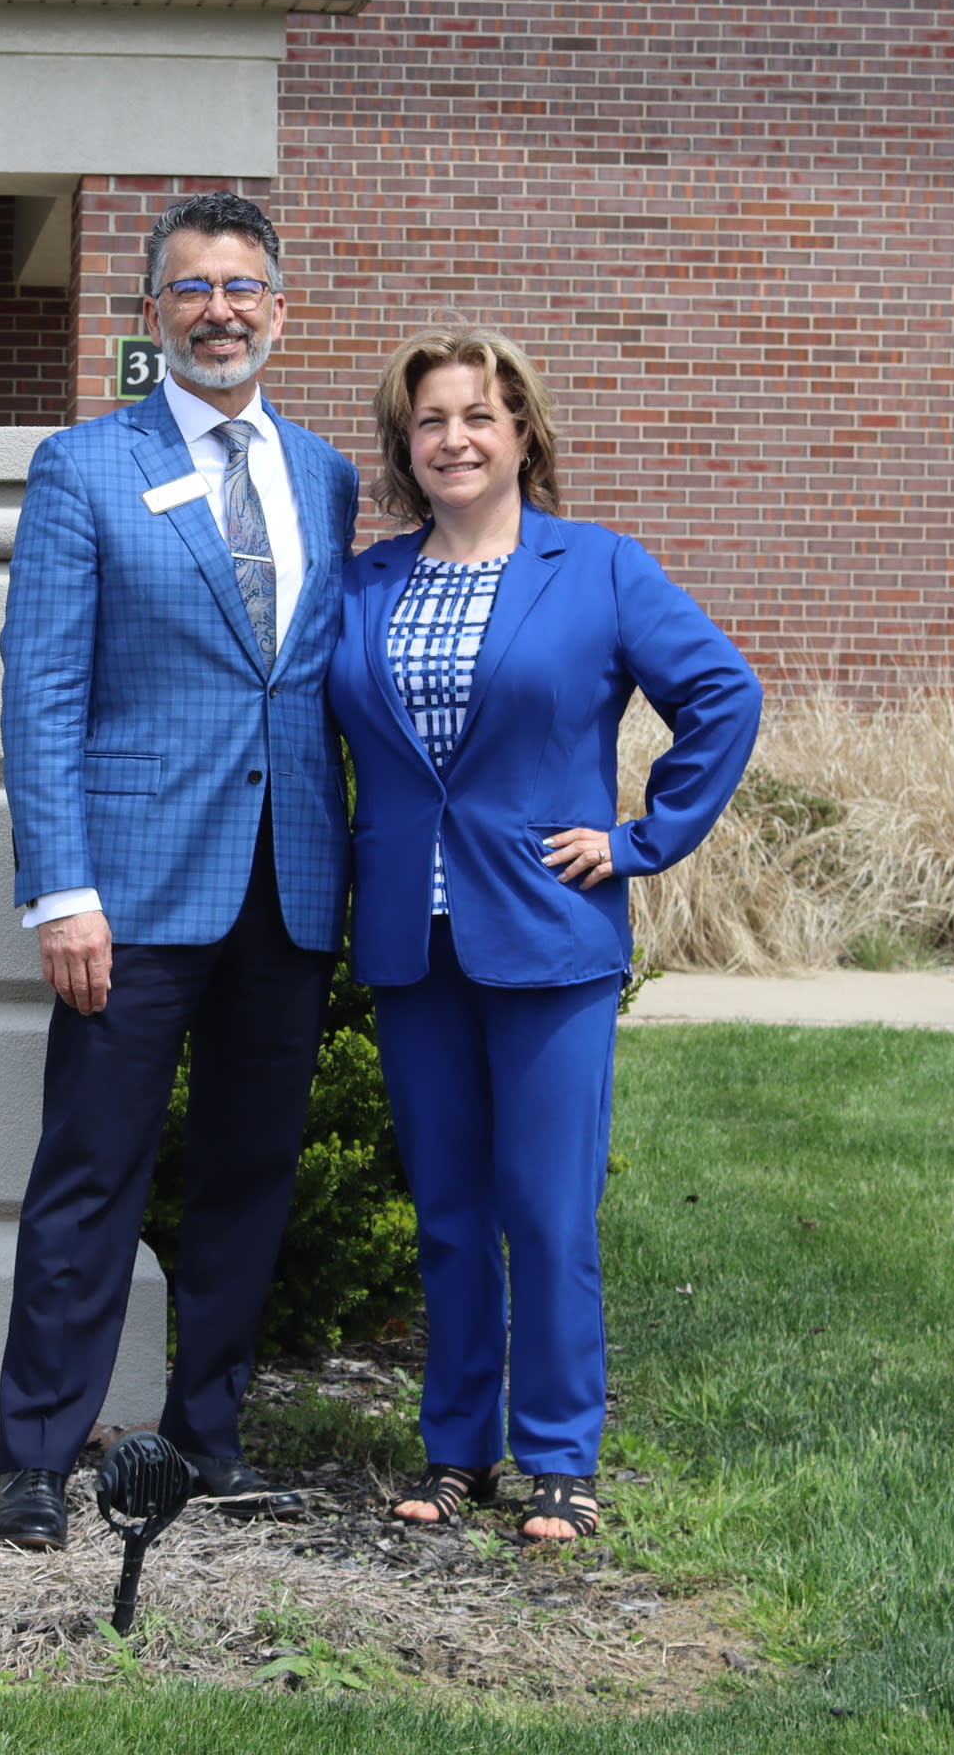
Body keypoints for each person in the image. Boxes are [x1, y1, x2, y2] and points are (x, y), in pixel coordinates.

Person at [325, 326, 758, 1543]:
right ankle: (458, 1448)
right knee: (450, 1210)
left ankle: (561, 1453)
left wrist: (638, 839)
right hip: (411, 937)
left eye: (479, 414)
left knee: (549, 1209)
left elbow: (723, 693)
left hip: (549, 930)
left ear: (523, 432)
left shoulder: (599, 567)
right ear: (405, 444)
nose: (454, 437)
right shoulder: (365, 581)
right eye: (430, 419)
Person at [0, 190, 359, 1550]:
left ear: (280, 309)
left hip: (288, 886)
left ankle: (207, 1435)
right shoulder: (85, 466)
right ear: (153, 314)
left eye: (242, 286)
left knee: (249, 1176)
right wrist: (62, 890)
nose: (219, 311)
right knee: (92, 1172)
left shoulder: (326, 477)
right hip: (130, 896)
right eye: (192, 288)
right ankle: (38, 1455)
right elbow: (42, 689)